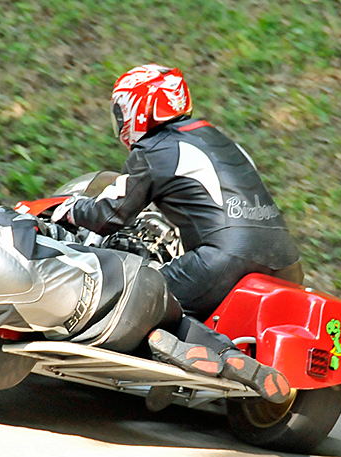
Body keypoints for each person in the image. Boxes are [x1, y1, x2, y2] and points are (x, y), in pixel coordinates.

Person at [0, 207, 291, 403]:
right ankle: (230, 355)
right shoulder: (2, 224)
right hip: (134, 279)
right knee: (176, 317)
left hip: (103, 334)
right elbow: (46, 222)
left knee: (127, 332)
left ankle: (159, 346)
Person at [52, 63, 303, 322]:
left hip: (223, 262)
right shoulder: (219, 140)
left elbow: (108, 215)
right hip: (287, 263)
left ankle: (217, 359)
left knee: (135, 300)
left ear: (137, 108)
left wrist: (69, 209)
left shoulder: (154, 149)